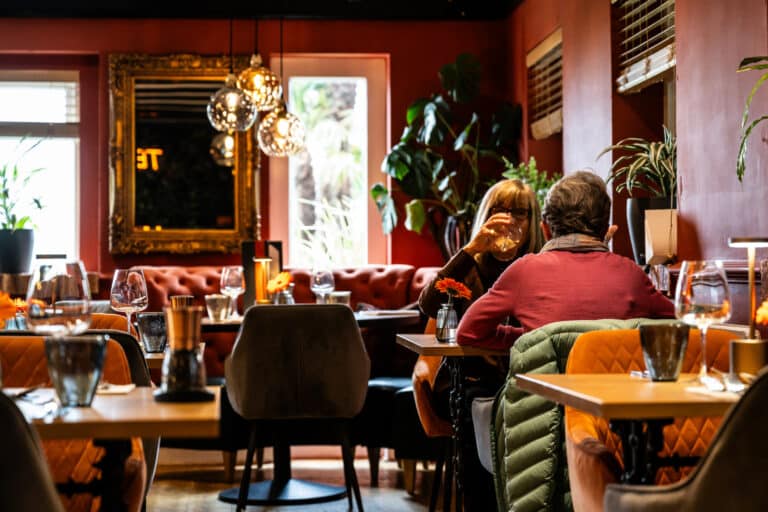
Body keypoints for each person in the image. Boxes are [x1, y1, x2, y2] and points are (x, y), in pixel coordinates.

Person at [417, 178, 544, 511]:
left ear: (531, 221)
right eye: (499, 210)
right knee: (479, 405)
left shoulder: (541, 266)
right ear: (486, 216)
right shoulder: (469, 266)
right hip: (469, 381)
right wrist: (471, 249)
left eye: (519, 212)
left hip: (527, 378)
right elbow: (428, 304)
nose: (509, 220)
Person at [456, 170, 674, 351]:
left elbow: (468, 332)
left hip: (540, 392)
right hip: (612, 390)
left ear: (545, 229)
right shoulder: (631, 274)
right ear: (605, 229)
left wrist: (533, 340)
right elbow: (681, 321)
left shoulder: (524, 271)